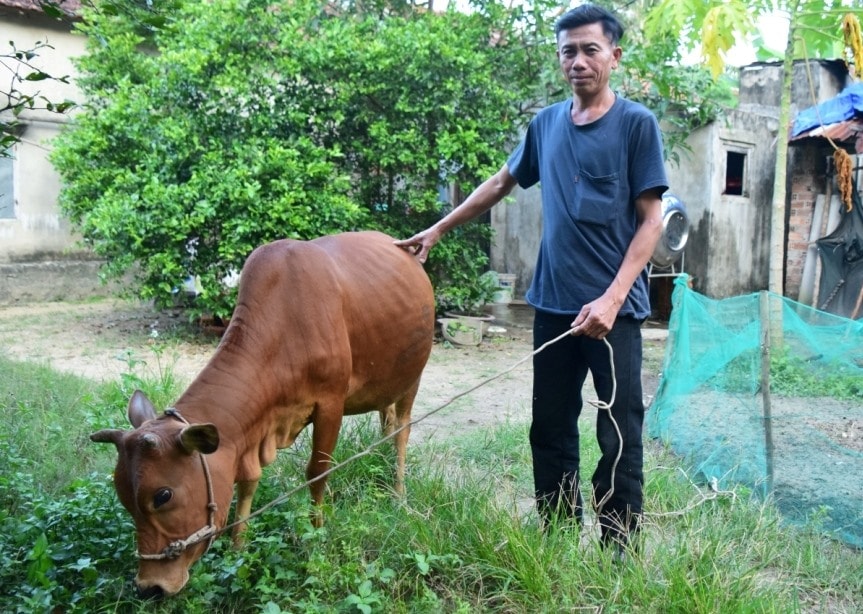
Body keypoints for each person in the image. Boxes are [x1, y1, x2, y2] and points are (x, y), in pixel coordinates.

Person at [396, 4, 667, 553]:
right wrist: (438, 229)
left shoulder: (636, 124)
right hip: (553, 307)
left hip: (615, 315)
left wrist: (613, 300)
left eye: (591, 49)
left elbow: (651, 222)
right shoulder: (545, 126)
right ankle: (560, 535)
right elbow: (500, 183)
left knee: (619, 433)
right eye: (569, 50)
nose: (579, 61)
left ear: (614, 56)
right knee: (549, 426)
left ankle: (619, 546)